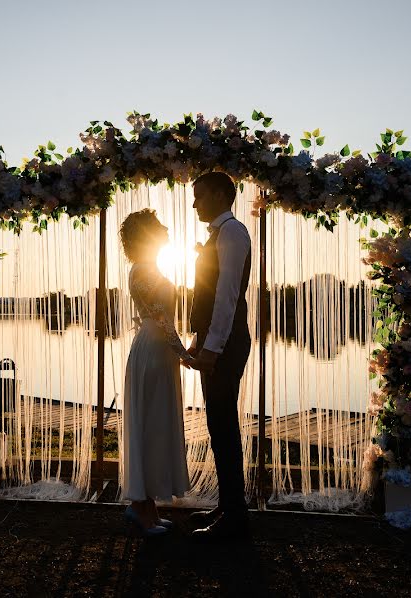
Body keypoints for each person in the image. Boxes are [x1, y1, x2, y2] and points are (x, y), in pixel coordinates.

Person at [185, 171, 252, 542]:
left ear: (221, 194)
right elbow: (209, 295)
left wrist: (212, 348)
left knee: (224, 428)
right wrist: (199, 340)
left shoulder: (233, 232)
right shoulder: (219, 233)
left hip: (225, 347)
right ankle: (228, 505)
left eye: (200, 195)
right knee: (217, 426)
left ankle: (236, 516)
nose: (194, 203)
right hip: (214, 343)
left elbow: (227, 296)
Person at [119, 208, 193, 537]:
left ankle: (146, 507)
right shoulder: (142, 271)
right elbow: (162, 319)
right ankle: (141, 508)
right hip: (153, 350)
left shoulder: (149, 268)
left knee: (157, 426)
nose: (166, 227)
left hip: (159, 350)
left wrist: (178, 353)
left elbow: (165, 319)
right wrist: (185, 354)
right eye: (158, 225)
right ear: (146, 234)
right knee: (150, 426)